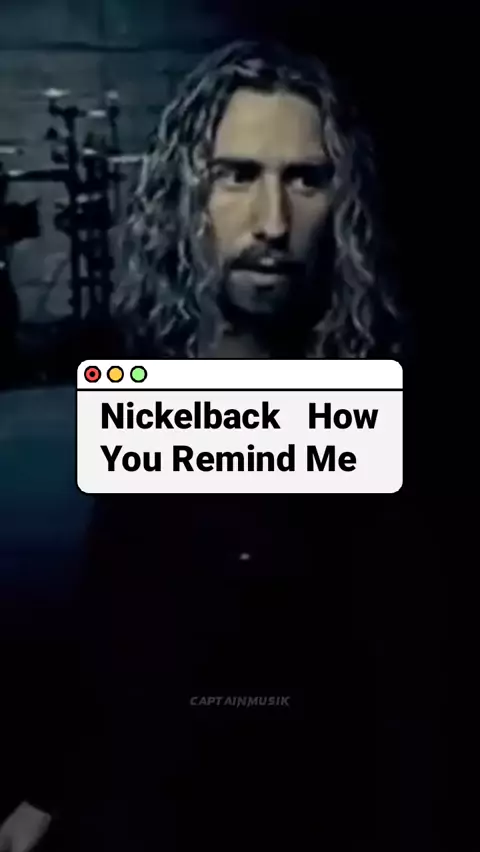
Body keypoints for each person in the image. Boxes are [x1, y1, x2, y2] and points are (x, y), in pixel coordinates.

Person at [10, 41, 446, 852]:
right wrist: (45, 792)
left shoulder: (389, 419)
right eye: (237, 175)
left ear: (343, 201)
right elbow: (118, 610)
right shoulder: (157, 385)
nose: (272, 223)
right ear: (190, 194)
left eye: (306, 179)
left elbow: (408, 695)